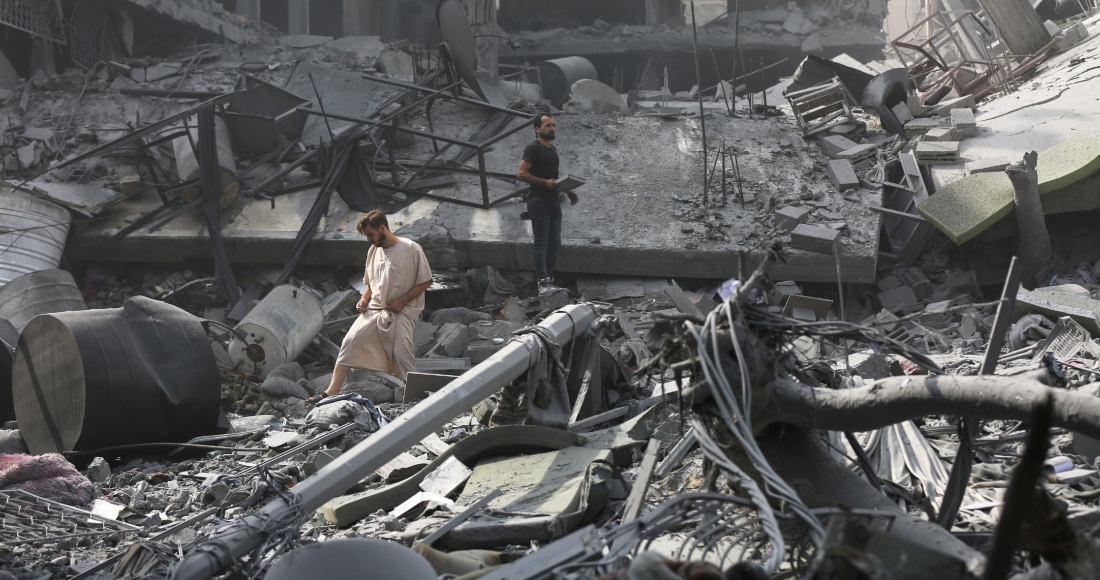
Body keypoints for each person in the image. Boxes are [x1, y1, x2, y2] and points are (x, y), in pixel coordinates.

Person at [310, 210, 432, 403]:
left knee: (401, 351)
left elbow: (425, 281)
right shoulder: (373, 250)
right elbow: (370, 283)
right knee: (350, 342)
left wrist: (401, 301)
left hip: (402, 310)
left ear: (382, 228)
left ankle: (416, 397)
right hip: (376, 308)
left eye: (370, 235)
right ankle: (332, 391)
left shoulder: (411, 248)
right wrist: (364, 300)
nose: (368, 239)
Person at [516, 114, 578, 293]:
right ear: (537, 129)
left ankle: (549, 280)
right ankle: (542, 282)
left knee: (555, 244)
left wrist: (568, 190)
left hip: (553, 202)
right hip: (539, 202)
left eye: (553, 125)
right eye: (548, 126)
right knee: (541, 244)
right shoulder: (533, 149)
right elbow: (520, 174)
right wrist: (544, 183)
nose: (552, 128)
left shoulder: (553, 149)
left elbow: (554, 176)